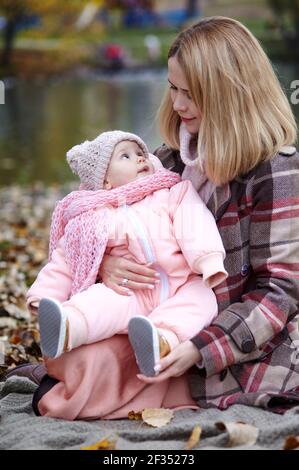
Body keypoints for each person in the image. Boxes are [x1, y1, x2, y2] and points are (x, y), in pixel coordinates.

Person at [5, 16, 299, 420]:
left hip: (233, 334)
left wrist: (202, 348)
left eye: (191, 94)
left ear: (230, 94)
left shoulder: (275, 171)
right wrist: (104, 263)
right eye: (173, 88)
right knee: (83, 358)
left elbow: (278, 290)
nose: (178, 105)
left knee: (101, 371)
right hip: (152, 309)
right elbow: (98, 220)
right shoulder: (166, 161)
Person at [27, 130, 227, 380]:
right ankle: (67, 326)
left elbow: (194, 221)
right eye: (126, 156)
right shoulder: (95, 217)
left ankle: (159, 341)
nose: (140, 159)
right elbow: (67, 258)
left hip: (180, 283)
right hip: (131, 291)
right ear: (106, 181)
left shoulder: (171, 192)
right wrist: (43, 296)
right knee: (100, 302)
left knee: (202, 300)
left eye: (141, 153)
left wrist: (208, 260)